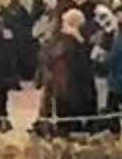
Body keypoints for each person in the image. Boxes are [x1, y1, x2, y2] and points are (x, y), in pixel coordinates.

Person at [41, 7, 102, 138]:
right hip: (67, 88)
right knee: (67, 122)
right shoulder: (62, 40)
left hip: (72, 87)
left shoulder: (75, 38)